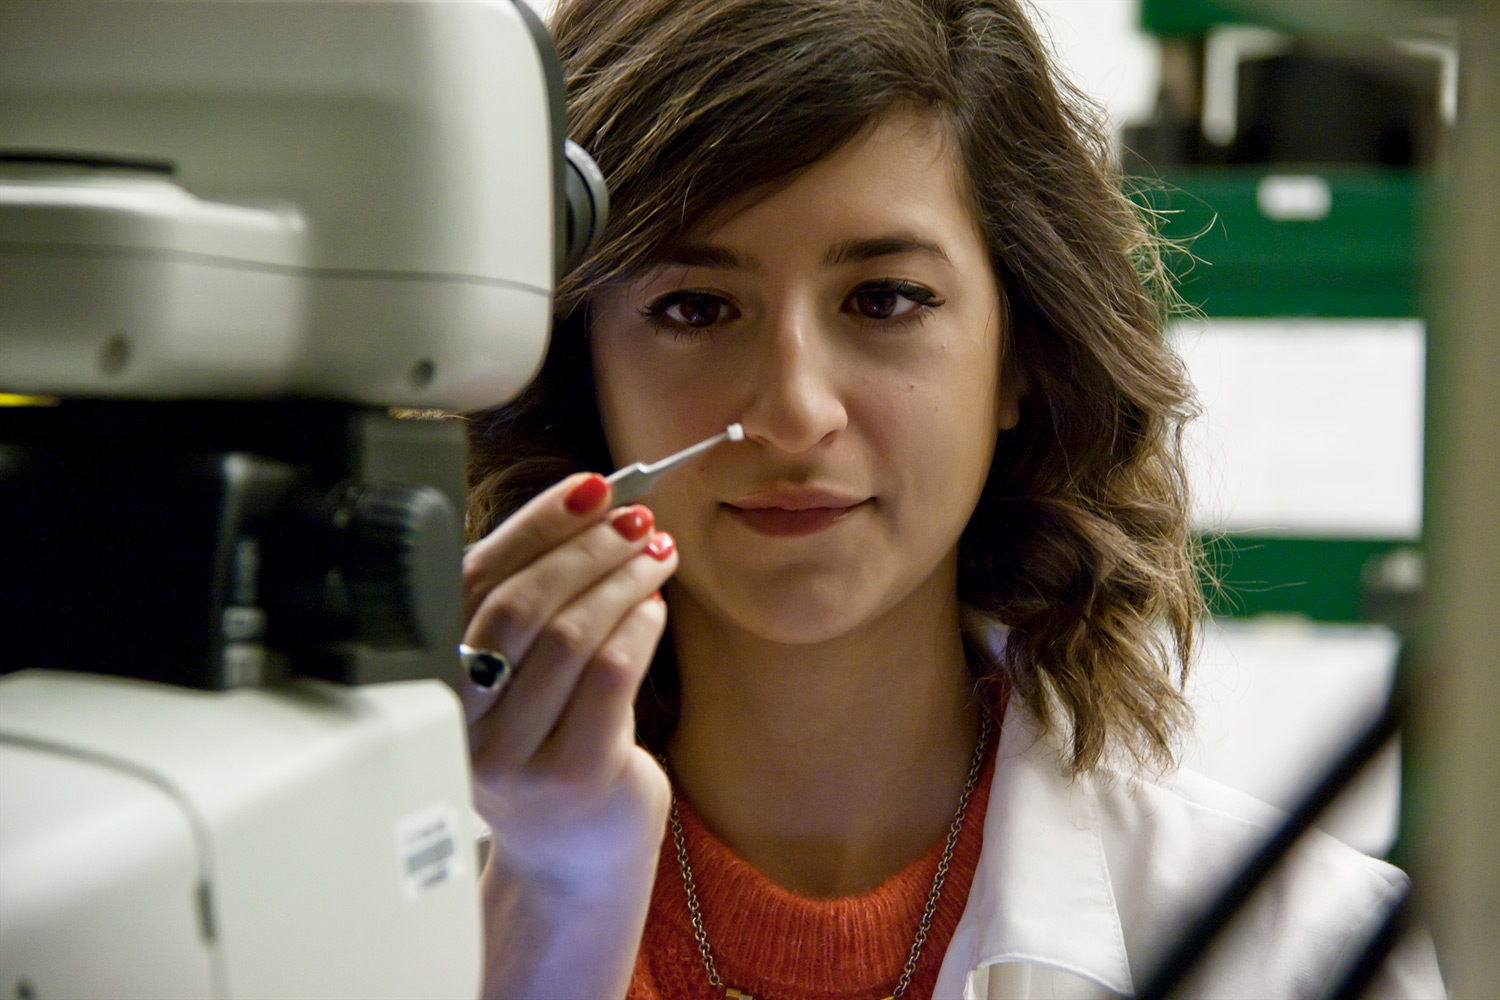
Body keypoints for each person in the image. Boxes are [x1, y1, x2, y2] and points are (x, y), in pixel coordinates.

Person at [459, 1, 1445, 997]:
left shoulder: (1304, 951)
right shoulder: (381, 913)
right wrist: (553, 901)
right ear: (576, 364)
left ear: (1021, 353)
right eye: (694, 308)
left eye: (884, 299)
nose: (796, 412)